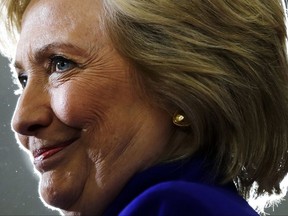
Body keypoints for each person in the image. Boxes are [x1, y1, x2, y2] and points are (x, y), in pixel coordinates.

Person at [0, 0, 288, 215]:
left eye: (61, 64)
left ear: (180, 87)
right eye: (23, 80)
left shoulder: (172, 208)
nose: (21, 119)